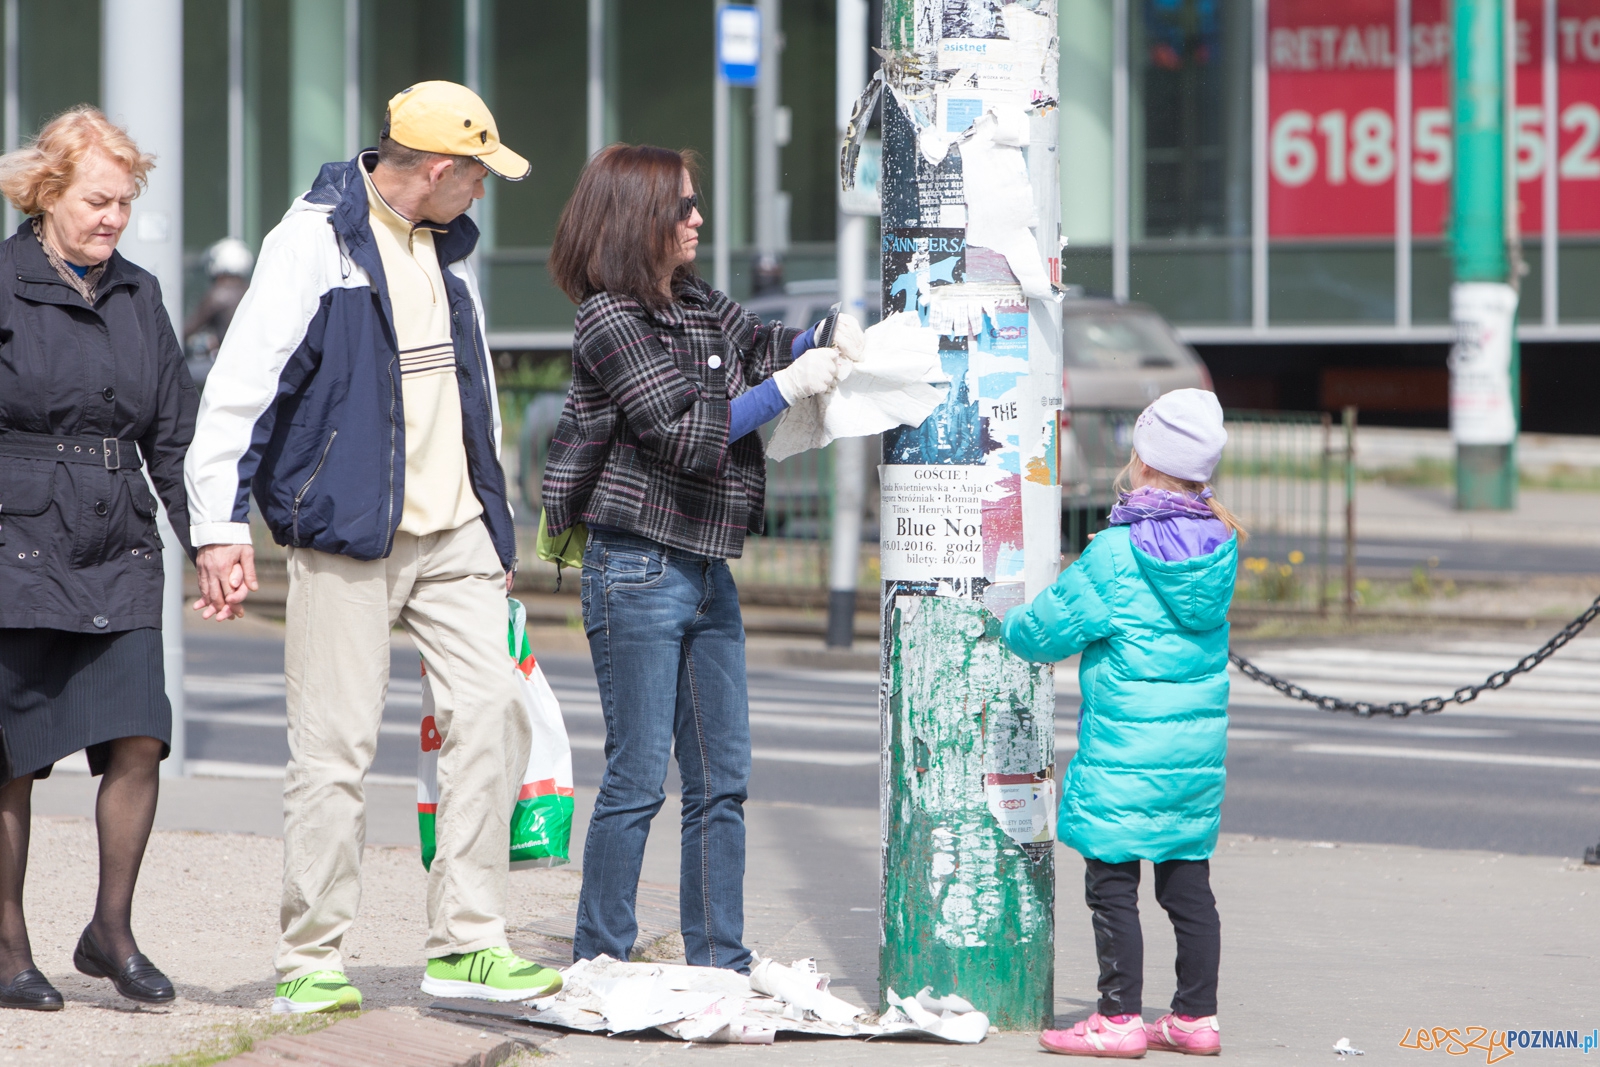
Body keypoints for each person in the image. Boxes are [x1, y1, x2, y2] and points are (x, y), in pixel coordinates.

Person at [184, 81, 562, 1013]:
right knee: (334, 750)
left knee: (494, 713)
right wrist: (219, 529)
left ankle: (468, 941)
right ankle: (310, 958)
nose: (483, 188)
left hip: (456, 533)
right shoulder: (313, 243)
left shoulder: (449, 247)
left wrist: (495, 523)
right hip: (350, 532)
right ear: (435, 169)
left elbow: (475, 400)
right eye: (477, 173)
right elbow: (240, 390)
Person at [541, 143, 864, 972]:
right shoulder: (609, 318)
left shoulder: (694, 298)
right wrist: (789, 386)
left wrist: (821, 336)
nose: (698, 218)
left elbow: (759, 341)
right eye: (683, 205)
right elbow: (686, 434)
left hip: (707, 563)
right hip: (637, 565)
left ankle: (720, 960)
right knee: (638, 776)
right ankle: (601, 958)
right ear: (639, 216)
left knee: (722, 780)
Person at [0, 106, 196, 1010]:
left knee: (139, 732)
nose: (113, 217)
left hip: (118, 539)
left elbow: (174, 434)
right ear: (47, 193)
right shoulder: (3, 284)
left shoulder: (139, 294)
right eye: (97, 200)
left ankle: (109, 930)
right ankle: (7, 949)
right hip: (17, 541)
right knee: (10, 755)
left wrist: (210, 541)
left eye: (124, 202)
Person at [1001, 389, 1242, 1058]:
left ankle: (1118, 1019)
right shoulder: (1219, 544)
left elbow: (1045, 632)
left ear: (1145, 463)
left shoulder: (1116, 552)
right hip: (1192, 758)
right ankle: (1195, 1017)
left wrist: (1005, 619)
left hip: (1123, 751)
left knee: (1111, 884)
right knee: (1188, 887)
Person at [180, 237, 253, 386]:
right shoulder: (251, 291)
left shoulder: (218, 294)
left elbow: (188, 329)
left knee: (180, 373)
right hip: (250, 363)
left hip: (229, 364)